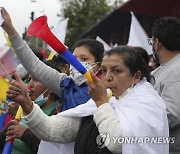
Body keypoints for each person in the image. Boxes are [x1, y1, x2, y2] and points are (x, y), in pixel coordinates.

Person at [6, 46, 169, 154]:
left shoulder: (148, 103)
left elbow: (118, 142)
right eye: (104, 71)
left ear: (136, 76)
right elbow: (53, 131)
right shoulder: (107, 100)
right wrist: (26, 103)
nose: (108, 78)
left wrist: (101, 103)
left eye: (117, 71)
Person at [0, 56, 69, 154]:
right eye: (29, 80)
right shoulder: (24, 109)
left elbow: (54, 150)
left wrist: (25, 134)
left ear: (52, 85)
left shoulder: (59, 112)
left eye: (36, 80)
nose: (29, 85)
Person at [148, 16, 180, 153]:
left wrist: (135, 122)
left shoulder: (177, 69)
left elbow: (172, 114)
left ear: (156, 43)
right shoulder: (160, 71)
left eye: (151, 41)